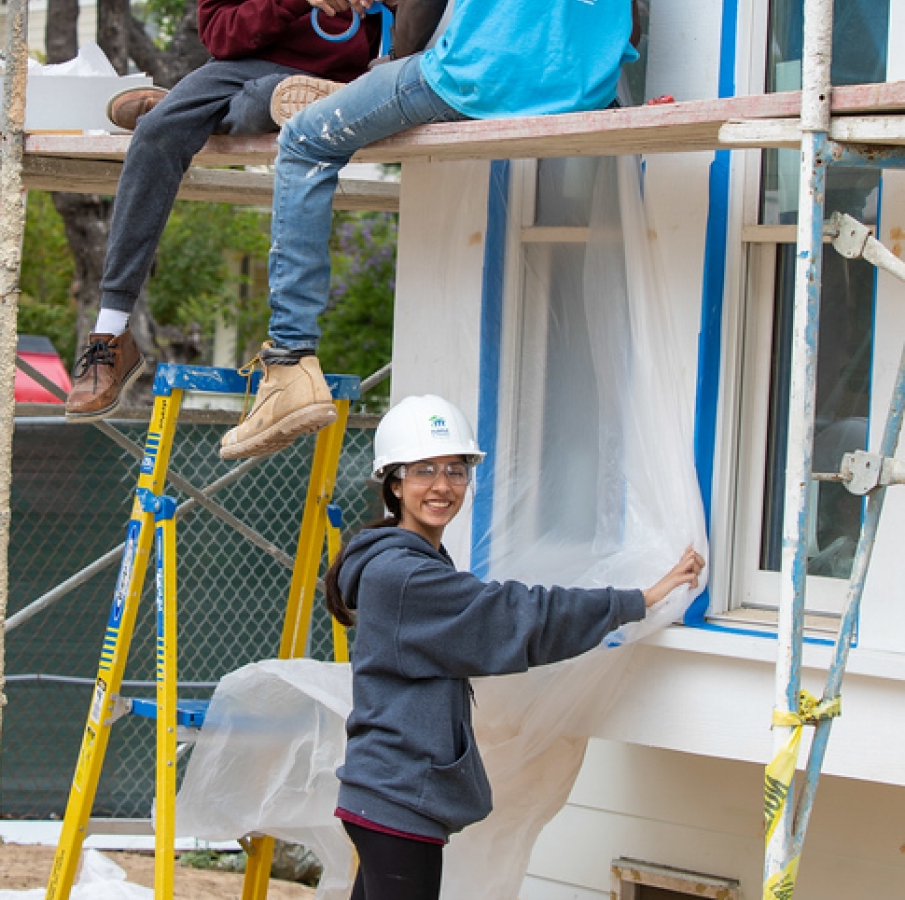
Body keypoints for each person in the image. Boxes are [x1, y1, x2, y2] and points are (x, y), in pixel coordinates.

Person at [218, 0, 641, 459]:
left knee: (305, 141)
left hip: (481, 75)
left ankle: (289, 363)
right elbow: (633, 26)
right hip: (588, 86)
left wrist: (396, 60)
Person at [323, 395, 703, 900]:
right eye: (424, 471)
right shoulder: (405, 575)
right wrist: (637, 599)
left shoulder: (413, 559)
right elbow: (515, 615)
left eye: (456, 471)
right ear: (394, 482)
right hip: (398, 795)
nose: (442, 485)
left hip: (386, 792)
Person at [64, 0, 384, 422]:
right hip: (241, 70)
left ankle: (187, 107)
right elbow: (219, 34)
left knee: (253, 105)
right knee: (158, 134)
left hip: (336, 75)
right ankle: (110, 331)